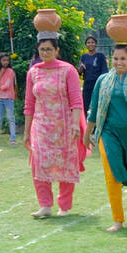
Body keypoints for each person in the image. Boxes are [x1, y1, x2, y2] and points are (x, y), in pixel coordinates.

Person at [86, 43, 127, 232]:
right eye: (115, 58)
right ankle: (118, 220)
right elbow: (94, 111)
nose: (118, 62)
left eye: (123, 58)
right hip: (108, 133)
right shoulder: (103, 80)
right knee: (111, 173)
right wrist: (87, 135)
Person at [24, 34, 87, 218]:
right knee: (39, 163)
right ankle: (45, 205)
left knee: (65, 165)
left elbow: (76, 101)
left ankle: (64, 207)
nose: (45, 52)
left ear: (57, 50)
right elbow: (29, 104)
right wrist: (27, 132)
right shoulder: (33, 72)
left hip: (65, 126)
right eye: (42, 49)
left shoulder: (68, 70)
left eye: (49, 49)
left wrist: (76, 125)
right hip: (40, 126)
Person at [0, 53, 17, 146]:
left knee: (11, 118)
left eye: (7, 60)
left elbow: (7, 85)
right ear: (0, 61)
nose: (5, 62)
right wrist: (0, 74)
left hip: (8, 98)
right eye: (3, 60)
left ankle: (13, 139)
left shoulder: (10, 71)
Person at [78, 35, 108, 117]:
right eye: (88, 42)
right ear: (86, 44)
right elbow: (80, 72)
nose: (90, 44)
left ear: (96, 44)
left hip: (98, 84)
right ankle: (84, 125)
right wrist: (81, 68)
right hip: (87, 83)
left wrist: (102, 84)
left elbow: (105, 71)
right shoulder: (84, 56)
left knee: (97, 105)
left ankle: (97, 125)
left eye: (92, 42)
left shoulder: (100, 56)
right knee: (84, 105)